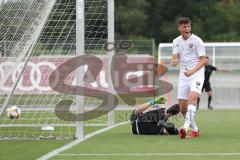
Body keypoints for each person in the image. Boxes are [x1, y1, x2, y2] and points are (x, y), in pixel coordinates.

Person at [171, 17, 207, 139]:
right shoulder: (176, 41)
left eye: (188, 26)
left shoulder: (197, 41)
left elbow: (203, 60)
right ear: (179, 28)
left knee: (192, 97)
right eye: (184, 27)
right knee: (182, 108)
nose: (187, 28)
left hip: (196, 73)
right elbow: (175, 56)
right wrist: (174, 61)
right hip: (183, 76)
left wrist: (192, 71)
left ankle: (185, 127)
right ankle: (195, 129)